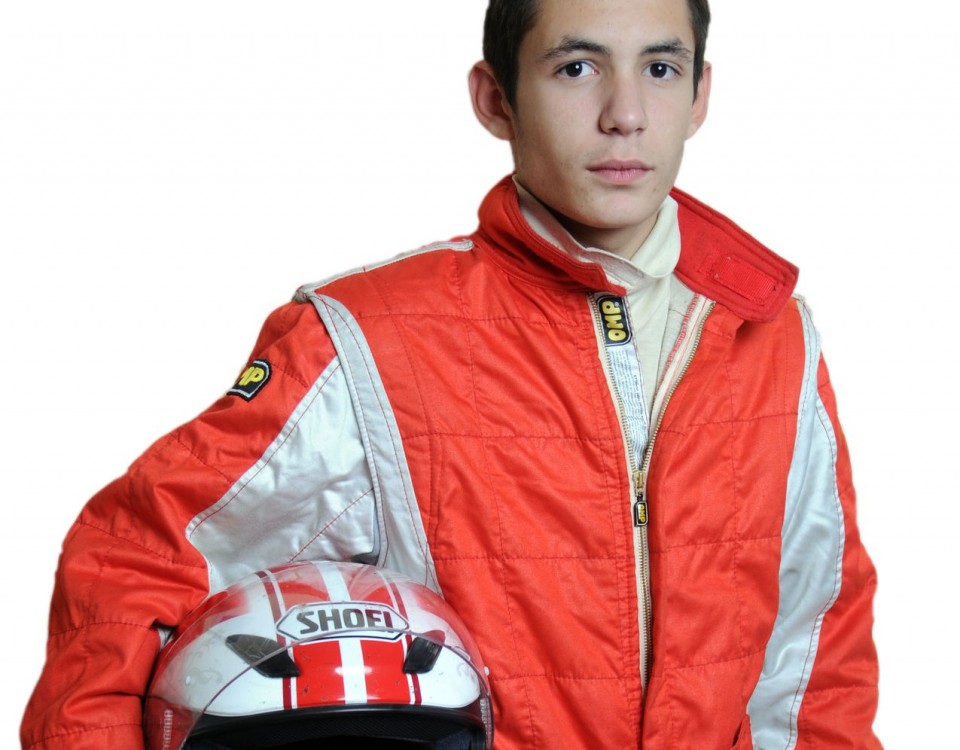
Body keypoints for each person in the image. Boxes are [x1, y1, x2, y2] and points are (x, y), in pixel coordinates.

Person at [21, 0, 881, 748]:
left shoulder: (773, 335)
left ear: (700, 95)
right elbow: (132, 564)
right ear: (495, 98)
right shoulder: (366, 340)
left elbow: (817, 652)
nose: (625, 114)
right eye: (576, 67)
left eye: (660, 68)